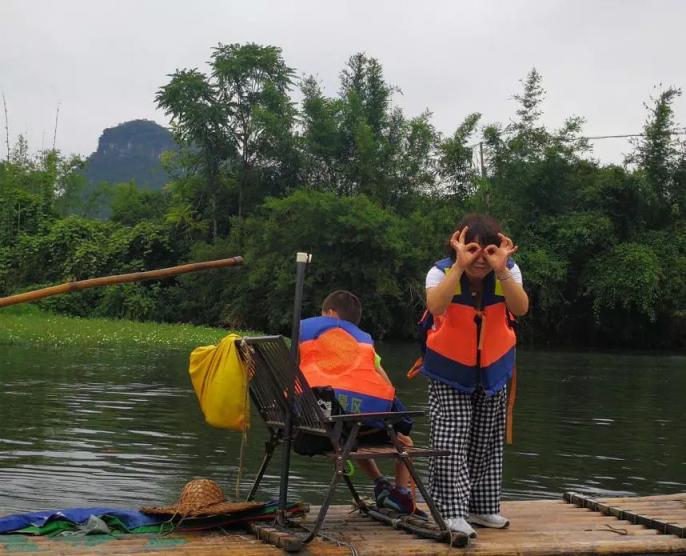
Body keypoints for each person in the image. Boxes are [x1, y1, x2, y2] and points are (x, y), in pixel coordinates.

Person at [421, 214, 528, 538]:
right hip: (448, 370)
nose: (480, 259)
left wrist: (502, 270)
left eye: (489, 250)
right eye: (472, 249)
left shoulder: (507, 272)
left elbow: (520, 309)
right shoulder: (440, 271)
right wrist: (458, 266)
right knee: (451, 439)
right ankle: (449, 511)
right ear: (458, 246)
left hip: (493, 369)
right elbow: (436, 307)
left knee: (486, 441)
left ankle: (481, 507)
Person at [299, 290, 423, 516]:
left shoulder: (309, 344)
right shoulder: (363, 348)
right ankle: (400, 494)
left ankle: (379, 483)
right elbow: (387, 386)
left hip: (312, 430)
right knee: (403, 440)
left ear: (330, 313)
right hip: (347, 430)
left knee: (354, 433)